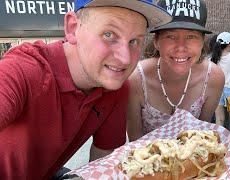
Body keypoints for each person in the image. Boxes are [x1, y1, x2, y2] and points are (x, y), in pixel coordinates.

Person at [0, 0, 172, 179]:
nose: (125, 59)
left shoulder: (115, 86)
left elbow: (100, 167)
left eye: (134, 41)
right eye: (109, 34)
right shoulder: (23, 70)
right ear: (73, 28)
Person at [127, 0, 225, 141]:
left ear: (202, 42)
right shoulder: (136, 78)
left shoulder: (213, 77)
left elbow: (201, 138)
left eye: (191, 36)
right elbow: (134, 142)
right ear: (156, 41)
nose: (181, 47)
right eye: (170, 36)